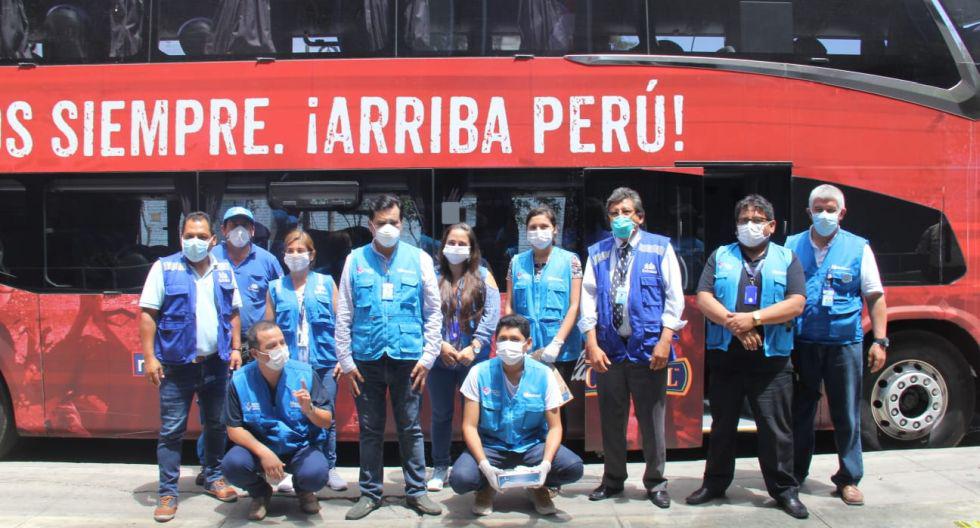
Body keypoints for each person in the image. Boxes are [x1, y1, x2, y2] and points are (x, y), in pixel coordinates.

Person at [687, 194, 808, 519]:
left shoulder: (787, 258)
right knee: (722, 426)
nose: (749, 225)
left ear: (771, 226)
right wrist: (734, 324)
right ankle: (714, 483)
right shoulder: (721, 256)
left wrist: (753, 319)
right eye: (743, 220)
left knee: (775, 429)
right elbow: (703, 297)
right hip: (727, 356)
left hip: (772, 360)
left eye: (757, 220)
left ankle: (784, 490)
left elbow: (796, 302)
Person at [335, 194, 444, 520]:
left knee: (410, 427)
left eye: (393, 222)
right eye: (381, 223)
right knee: (369, 429)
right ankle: (369, 494)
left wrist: (428, 357)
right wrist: (346, 361)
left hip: (408, 358)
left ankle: (417, 491)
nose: (387, 228)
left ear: (402, 223)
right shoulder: (354, 260)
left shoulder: (420, 259)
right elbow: (344, 314)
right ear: (371, 225)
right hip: (366, 358)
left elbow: (433, 311)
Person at [579, 187, 686, 509]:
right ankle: (612, 480)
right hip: (610, 350)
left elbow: (675, 297)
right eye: (614, 214)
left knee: (652, 421)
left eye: (627, 212)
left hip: (649, 349)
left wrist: (665, 341)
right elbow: (587, 299)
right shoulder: (597, 252)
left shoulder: (660, 248)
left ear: (640, 217)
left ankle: (655, 483)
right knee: (611, 419)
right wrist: (592, 344)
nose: (620, 218)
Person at [786, 184, 888, 506]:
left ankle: (848, 478)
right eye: (819, 209)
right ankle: (794, 474)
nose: (824, 215)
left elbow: (875, 297)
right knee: (800, 413)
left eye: (831, 209)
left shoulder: (859, 248)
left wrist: (880, 341)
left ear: (841, 213)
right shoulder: (791, 246)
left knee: (846, 412)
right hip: (803, 343)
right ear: (809, 212)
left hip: (844, 344)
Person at [138, 211, 243, 523]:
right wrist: (150, 357)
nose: (194, 241)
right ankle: (168, 492)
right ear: (181, 237)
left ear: (213, 240)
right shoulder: (164, 267)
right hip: (176, 365)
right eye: (189, 235)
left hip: (216, 363)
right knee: (172, 431)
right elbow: (147, 314)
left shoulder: (224, 270)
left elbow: (233, 312)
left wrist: (236, 347)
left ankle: (214, 477)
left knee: (216, 424)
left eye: (201, 236)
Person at [448, 314, 584, 516]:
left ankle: (538, 487)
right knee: (460, 479)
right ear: (495, 342)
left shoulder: (544, 374)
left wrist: (546, 464)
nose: (507, 344)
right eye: (503, 339)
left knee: (573, 467)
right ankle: (486, 487)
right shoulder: (479, 373)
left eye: (514, 339)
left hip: (531, 447)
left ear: (527, 344)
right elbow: (469, 426)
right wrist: (484, 465)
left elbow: (555, 427)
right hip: (491, 447)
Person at [221, 321, 333, 521]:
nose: (281, 349)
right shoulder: (239, 380)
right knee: (233, 465)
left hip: (299, 447)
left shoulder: (304, 373)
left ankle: (304, 490)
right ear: (255, 354)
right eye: (272, 346)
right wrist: (264, 453)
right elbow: (234, 428)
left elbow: (326, 420)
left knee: (316, 473)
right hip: (259, 448)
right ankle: (260, 492)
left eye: (282, 342)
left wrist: (309, 409)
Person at [264, 229, 348, 492]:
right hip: (287, 366)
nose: (296, 255)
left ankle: (329, 466)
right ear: (284, 255)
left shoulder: (326, 283)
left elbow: (341, 323)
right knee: (289, 414)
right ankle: (291, 467)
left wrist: (342, 357)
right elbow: (267, 329)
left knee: (326, 415)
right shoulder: (275, 287)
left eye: (301, 250)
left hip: (323, 362)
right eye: (291, 250)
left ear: (312, 255)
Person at [206, 206, 283, 487]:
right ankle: (212, 466)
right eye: (233, 224)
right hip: (220, 348)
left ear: (253, 230)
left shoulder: (267, 260)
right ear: (223, 230)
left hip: (258, 351)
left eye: (245, 225)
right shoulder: (210, 258)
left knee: (257, 408)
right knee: (218, 409)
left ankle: (257, 462)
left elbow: (278, 297)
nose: (239, 230)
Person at [505, 204, 583, 461]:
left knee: (557, 408)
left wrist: (558, 343)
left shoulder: (570, 261)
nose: (538, 232)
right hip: (526, 351)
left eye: (543, 227)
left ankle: (556, 465)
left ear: (555, 230)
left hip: (559, 351)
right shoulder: (516, 263)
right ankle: (530, 459)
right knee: (528, 406)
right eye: (533, 228)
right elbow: (510, 307)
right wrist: (513, 341)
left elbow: (574, 305)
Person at [426, 223, 501, 491]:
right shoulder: (432, 275)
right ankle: (440, 466)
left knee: (475, 415)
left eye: (462, 244)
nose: (456, 248)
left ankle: (478, 464)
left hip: (473, 360)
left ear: (471, 250)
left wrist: (476, 346)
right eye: (451, 243)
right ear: (443, 246)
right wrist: (440, 346)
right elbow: (423, 314)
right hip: (440, 359)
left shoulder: (483, 276)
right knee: (441, 414)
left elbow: (493, 313)